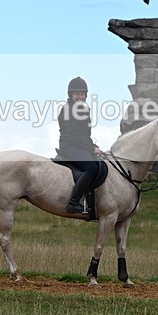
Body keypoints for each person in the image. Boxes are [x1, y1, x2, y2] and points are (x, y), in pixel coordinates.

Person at [58, 76, 103, 214]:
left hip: (79, 145)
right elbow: (74, 136)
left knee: (99, 164)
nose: (80, 97)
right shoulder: (67, 109)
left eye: (82, 94)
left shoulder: (84, 110)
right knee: (91, 168)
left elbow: (85, 135)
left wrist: (94, 146)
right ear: (71, 95)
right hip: (69, 145)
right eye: (77, 94)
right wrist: (91, 149)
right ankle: (73, 202)